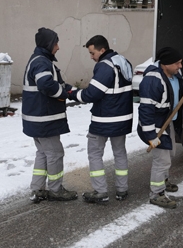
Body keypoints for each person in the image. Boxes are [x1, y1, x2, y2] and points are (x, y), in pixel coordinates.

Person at [69, 35, 134, 203]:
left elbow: (92, 94)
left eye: (93, 53)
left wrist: (73, 93)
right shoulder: (124, 62)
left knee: (95, 153)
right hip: (123, 118)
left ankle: (100, 191)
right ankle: (122, 189)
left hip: (104, 120)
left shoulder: (105, 66)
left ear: (102, 50)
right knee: (120, 153)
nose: (92, 57)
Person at [137, 47, 183, 209]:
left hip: (168, 121)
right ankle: (157, 193)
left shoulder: (172, 73)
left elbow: (179, 78)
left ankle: (163, 180)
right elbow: (146, 111)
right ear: (165, 64)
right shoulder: (152, 81)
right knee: (162, 160)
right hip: (156, 127)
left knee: (171, 153)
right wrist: (151, 135)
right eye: (177, 63)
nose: (180, 66)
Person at [22, 27, 78, 203]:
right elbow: (46, 84)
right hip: (44, 120)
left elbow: (55, 83)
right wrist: (63, 94)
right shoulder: (42, 62)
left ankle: (37, 189)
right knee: (55, 153)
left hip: (36, 119)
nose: (58, 47)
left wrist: (73, 91)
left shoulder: (40, 60)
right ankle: (55, 190)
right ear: (48, 44)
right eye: (56, 43)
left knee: (43, 153)